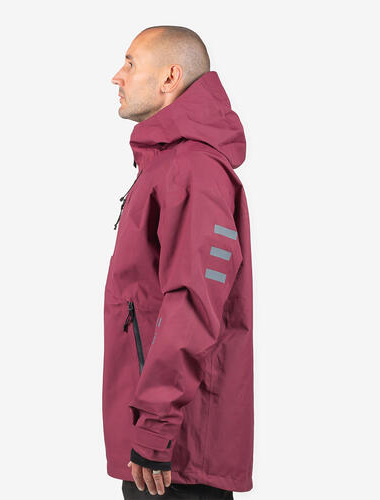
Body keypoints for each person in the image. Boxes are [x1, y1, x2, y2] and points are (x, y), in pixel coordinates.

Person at [104, 25, 253, 498]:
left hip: (175, 455)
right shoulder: (169, 166)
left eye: (131, 63)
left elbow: (193, 305)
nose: (117, 76)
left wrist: (154, 427)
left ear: (170, 77)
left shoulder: (193, 170)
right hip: (161, 444)